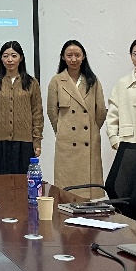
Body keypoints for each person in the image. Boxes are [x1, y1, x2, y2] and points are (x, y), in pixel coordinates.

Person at [47, 40, 106, 198]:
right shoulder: (57, 81)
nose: (74, 59)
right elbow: (52, 112)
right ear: (63, 57)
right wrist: (63, 130)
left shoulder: (92, 80)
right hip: (67, 143)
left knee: (89, 194)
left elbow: (100, 111)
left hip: (89, 141)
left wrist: (92, 129)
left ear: (84, 57)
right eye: (69, 55)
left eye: (77, 55)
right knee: (66, 192)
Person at [0, 41, 43, 175]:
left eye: (14, 56)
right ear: (1, 59)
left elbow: (37, 113)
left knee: (22, 182)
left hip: (24, 142)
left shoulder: (31, 83)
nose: (9, 60)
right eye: (5, 56)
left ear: (21, 58)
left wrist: (37, 141)